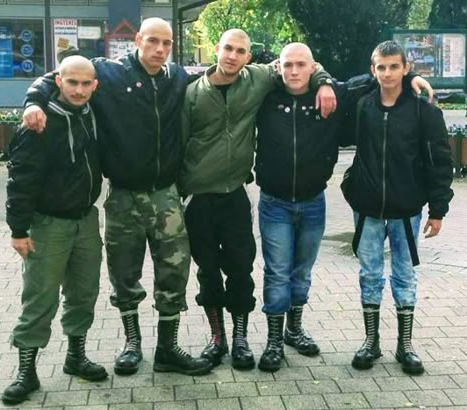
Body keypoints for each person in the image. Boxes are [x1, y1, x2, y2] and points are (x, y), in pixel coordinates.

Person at [21, 17, 212, 377]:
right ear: (138, 39)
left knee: (174, 270)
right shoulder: (107, 73)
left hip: (165, 195)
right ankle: (132, 344)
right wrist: (33, 102)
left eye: (167, 43)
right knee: (123, 273)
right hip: (123, 195)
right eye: (152, 40)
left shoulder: (176, 77)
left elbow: (221, 74)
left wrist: (319, 78)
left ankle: (168, 348)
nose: (159, 49)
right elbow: (57, 76)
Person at [254, 42, 434, 372]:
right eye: (288, 64)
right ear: (278, 67)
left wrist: (410, 79)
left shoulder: (333, 94)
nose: (294, 71)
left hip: (313, 201)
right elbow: (233, 78)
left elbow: (376, 78)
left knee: (302, 273)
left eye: (301, 64)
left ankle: (295, 329)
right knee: (277, 272)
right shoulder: (264, 94)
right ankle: (274, 341)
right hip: (274, 202)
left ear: (313, 67)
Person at [180, 29, 337, 370]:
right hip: (199, 198)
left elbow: (301, 63)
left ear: (249, 57)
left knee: (241, 270)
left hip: (236, 195)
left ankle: (240, 339)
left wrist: (324, 82)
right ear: (216, 49)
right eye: (228, 48)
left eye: (241, 51)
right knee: (208, 271)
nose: (233, 56)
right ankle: (217, 338)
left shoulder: (258, 80)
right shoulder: (193, 92)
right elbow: (178, 142)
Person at [341, 40, 453, 375]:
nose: (387, 73)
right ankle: (371, 341)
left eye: (394, 67)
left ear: (406, 68)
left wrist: (438, 210)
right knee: (369, 274)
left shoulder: (424, 112)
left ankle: (405, 345)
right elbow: (340, 87)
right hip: (368, 208)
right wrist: (353, 188)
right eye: (381, 67)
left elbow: (440, 162)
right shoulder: (363, 105)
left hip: (406, 209)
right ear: (373, 70)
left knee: (404, 275)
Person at [2, 56, 106, 405]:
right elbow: (20, 180)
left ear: (95, 85)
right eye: (71, 82)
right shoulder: (38, 122)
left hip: (86, 220)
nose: (79, 90)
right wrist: (18, 230)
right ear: (59, 81)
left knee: (83, 293)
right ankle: (26, 371)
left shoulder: (93, 111)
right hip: (48, 224)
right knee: (40, 297)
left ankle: (76, 356)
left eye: (86, 84)